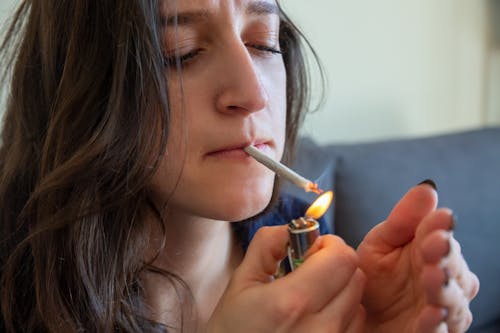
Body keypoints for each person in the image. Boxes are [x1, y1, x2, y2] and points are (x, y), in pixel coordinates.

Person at [0, 0, 479, 332]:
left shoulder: (295, 231)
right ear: (83, 87)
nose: (254, 95)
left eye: (264, 42)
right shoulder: (15, 287)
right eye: (181, 51)